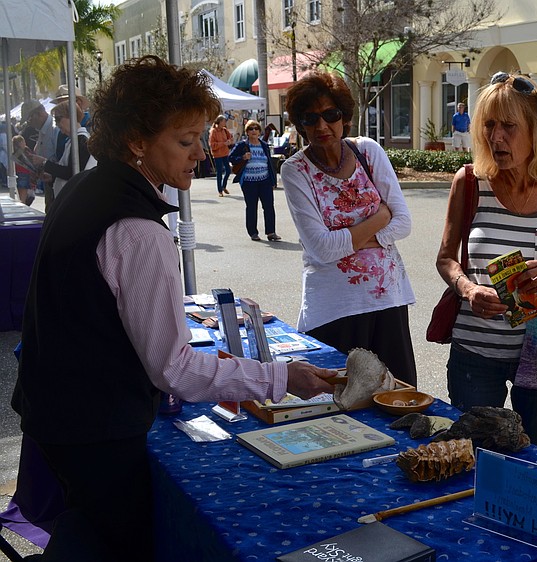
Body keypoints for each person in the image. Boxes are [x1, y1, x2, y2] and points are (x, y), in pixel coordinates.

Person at [11, 55, 337, 562]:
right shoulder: (140, 231)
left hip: (56, 412)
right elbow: (175, 370)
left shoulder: (85, 188)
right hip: (94, 426)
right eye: (184, 141)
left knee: (87, 529)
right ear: (137, 141)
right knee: (119, 540)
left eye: (199, 138)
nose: (200, 154)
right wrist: (281, 378)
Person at [435, 72, 537, 452]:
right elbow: (445, 259)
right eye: (488, 125)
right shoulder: (470, 181)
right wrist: (468, 289)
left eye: (508, 126)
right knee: (472, 460)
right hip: (475, 354)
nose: (496, 137)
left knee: (532, 464)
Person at [280, 71, 417, 386]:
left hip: (387, 302)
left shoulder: (368, 152)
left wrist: (350, 239)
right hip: (333, 308)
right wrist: (379, 221)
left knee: (395, 400)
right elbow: (321, 248)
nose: (321, 126)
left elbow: (404, 222)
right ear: (300, 125)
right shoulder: (295, 171)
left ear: (344, 117)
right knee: (336, 405)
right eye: (310, 118)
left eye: (330, 115)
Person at [228, 119, 282, 241]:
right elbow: (231, 157)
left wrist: (273, 181)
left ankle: (271, 232)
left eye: (256, 128)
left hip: (265, 180)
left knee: (269, 206)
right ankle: (253, 232)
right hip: (249, 181)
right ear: (247, 132)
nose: (254, 131)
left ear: (259, 131)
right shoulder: (242, 145)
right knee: (251, 207)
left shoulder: (264, 145)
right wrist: (242, 157)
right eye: (251, 129)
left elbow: (269, 163)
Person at [30, 100, 95, 198]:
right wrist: (53, 178)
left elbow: (73, 172)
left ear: (70, 117)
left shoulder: (81, 140)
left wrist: (44, 162)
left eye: (58, 118)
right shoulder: (74, 140)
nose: (56, 122)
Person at [20, 99, 60, 207]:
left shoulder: (54, 129)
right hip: (48, 182)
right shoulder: (41, 131)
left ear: (39, 113)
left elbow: (59, 158)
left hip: (57, 183)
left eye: (29, 119)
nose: (29, 123)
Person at [209, 115, 233, 196]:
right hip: (217, 154)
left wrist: (229, 141)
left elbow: (230, 137)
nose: (225, 122)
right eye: (223, 121)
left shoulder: (225, 130)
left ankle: (224, 186)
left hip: (225, 153)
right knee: (219, 172)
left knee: (228, 170)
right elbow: (212, 145)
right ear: (219, 122)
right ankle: (220, 190)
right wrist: (223, 143)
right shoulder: (213, 131)